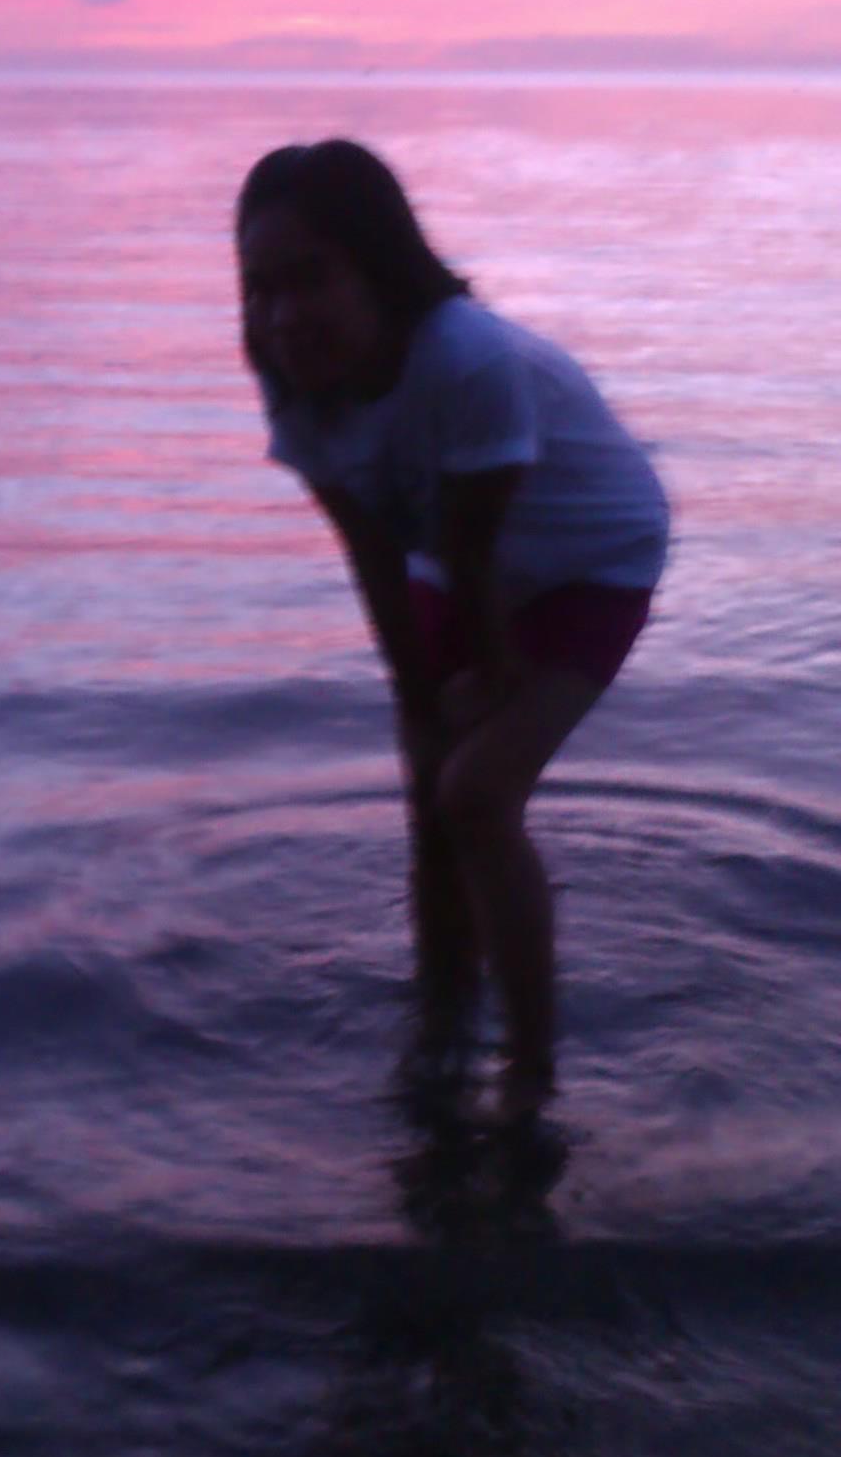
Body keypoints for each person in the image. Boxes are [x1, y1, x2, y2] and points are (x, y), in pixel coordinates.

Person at [236, 139, 670, 1125]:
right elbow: (370, 547)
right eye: (261, 288)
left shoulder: (467, 361)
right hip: (451, 554)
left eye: (311, 277)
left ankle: (530, 1074)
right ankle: (441, 1017)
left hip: (589, 559)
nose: (285, 313)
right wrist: (416, 699)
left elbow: (475, 553)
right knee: (427, 789)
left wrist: (489, 680)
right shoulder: (290, 369)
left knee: (474, 794)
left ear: (380, 267)